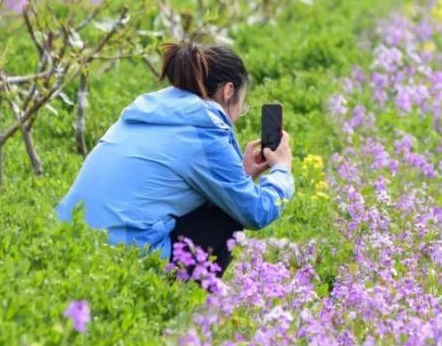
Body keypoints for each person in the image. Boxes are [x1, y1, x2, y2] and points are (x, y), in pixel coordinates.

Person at [56, 42, 294, 275]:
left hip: (67, 242)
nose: (238, 116)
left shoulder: (149, 109)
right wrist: (281, 171)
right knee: (227, 214)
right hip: (120, 259)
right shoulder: (205, 128)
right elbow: (254, 211)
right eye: (242, 107)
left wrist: (241, 174)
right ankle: (187, 304)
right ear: (228, 91)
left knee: (222, 199)